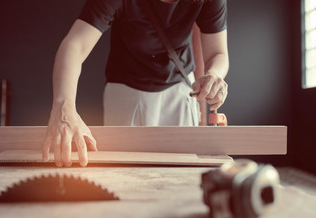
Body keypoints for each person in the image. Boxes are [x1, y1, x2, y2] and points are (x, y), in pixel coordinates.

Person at [42, 0, 229, 167]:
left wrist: (214, 74)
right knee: (125, 177)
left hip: (182, 91)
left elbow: (217, 54)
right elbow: (75, 45)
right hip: (127, 92)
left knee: (185, 178)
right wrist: (64, 107)